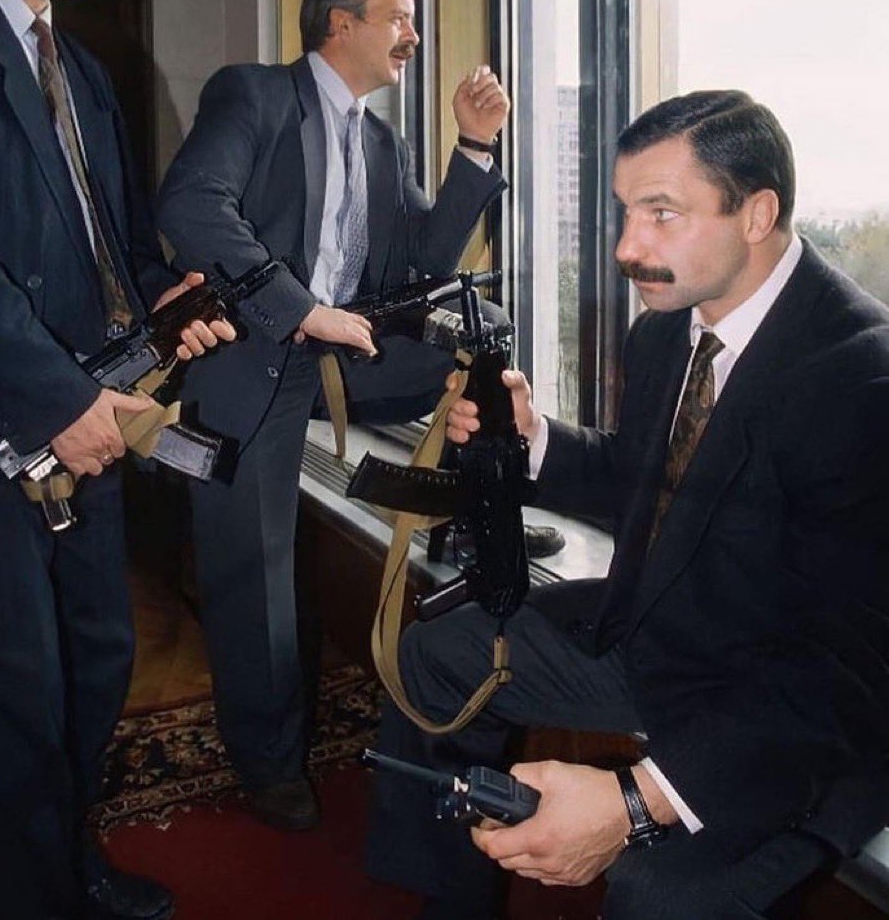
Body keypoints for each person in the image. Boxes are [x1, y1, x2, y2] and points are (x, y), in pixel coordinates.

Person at [365, 89, 889, 920]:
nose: (624, 246)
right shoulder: (668, 329)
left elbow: (845, 671)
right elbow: (644, 476)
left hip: (793, 714)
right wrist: (534, 439)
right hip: (661, 637)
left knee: (655, 893)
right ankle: (448, 900)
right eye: (623, 211)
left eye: (660, 214)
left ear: (757, 214)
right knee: (432, 657)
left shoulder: (863, 376)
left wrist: (637, 800)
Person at [156, 0, 509, 830]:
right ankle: (267, 763)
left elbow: (425, 262)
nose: (414, 36)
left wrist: (474, 147)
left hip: (343, 356)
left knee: (488, 342)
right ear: (339, 23)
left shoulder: (382, 142)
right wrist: (303, 311)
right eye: (399, 18)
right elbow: (193, 206)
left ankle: (484, 526)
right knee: (256, 573)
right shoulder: (254, 95)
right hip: (254, 361)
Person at [0, 0, 234, 920]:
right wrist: (58, 394)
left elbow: (103, 241)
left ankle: (72, 867)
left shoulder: (83, 68)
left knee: (94, 657)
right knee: (13, 693)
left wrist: (161, 291)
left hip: (92, 422)